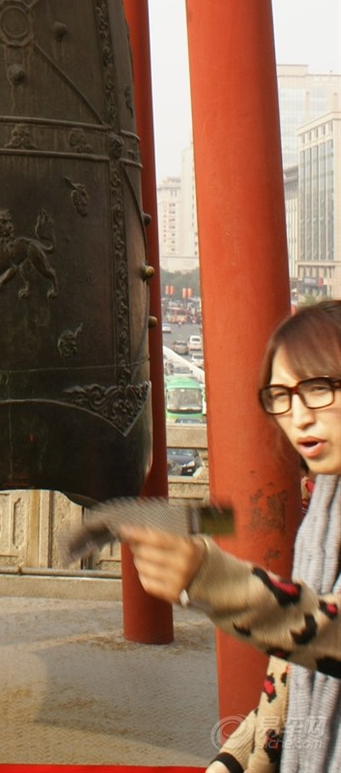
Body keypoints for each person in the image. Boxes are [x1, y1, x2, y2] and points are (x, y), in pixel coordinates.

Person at [123, 299, 341, 773]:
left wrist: (213, 579)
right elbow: (286, 687)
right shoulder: (322, 521)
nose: (298, 416)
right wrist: (232, 763)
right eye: (280, 396)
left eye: (318, 389)